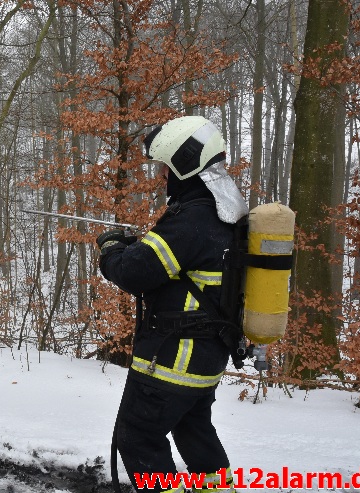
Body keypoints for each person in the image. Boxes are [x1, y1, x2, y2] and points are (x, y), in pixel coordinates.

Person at [96, 116, 247, 493]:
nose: (162, 175)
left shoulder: (191, 217)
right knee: (194, 431)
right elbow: (175, 264)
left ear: (185, 165)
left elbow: (135, 273)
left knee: (137, 436)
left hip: (174, 359)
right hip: (207, 358)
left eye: (166, 167)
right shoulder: (225, 211)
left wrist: (112, 248)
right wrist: (141, 246)